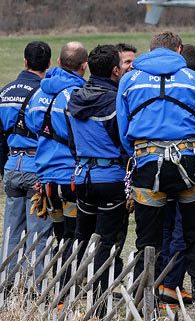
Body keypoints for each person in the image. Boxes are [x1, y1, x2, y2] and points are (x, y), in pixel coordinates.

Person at [117, 31, 195, 300]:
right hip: (189, 164)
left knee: (147, 240)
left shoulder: (130, 79)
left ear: (151, 50)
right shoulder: (193, 79)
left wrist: (138, 153)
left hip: (147, 163)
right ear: (179, 50)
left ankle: (146, 302)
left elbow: (123, 128)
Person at [67, 44, 130, 302]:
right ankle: (100, 294)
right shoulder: (115, 101)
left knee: (81, 236)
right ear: (116, 70)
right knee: (106, 239)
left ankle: (73, 287)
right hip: (110, 178)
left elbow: (72, 143)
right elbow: (124, 142)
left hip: (83, 176)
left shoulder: (73, 98)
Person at [0, 41, 53, 280]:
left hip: (12, 165)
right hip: (36, 168)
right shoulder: (46, 94)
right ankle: (36, 288)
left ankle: (7, 284)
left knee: (11, 232)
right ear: (49, 64)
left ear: (25, 61)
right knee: (38, 234)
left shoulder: (5, 91)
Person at [27, 42, 88, 246]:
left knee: (60, 237)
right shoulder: (78, 95)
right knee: (74, 236)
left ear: (59, 62)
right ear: (84, 66)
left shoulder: (38, 93)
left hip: (47, 180)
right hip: (70, 177)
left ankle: (57, 277)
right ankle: (70, 278)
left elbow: (31, 124)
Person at [157, 43, 195, 305]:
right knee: (182, 229)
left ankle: (165, 282)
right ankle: (171, 283)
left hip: (152, 162)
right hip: (185, 163)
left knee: (165, 226)